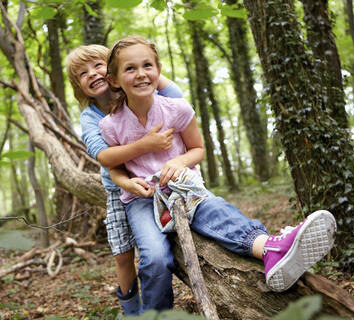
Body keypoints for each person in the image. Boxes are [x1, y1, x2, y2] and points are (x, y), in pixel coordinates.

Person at [99, 35, 337, 312]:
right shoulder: (111, 125)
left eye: (147, 65)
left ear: (158, 70)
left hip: (184, 188)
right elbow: (113, 167)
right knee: (154, 258)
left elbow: (197, 149)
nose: (141, 74)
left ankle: (270, 249)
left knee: (217, 211)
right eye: (130, 68)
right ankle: (156, 315)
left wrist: (179, 162)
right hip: (142, 199)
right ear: (114, 80)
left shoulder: (177, 109)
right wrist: (129, 182)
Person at [65, 44, 183, 315]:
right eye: (83, 73)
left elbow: (175, 94)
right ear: (78, 87)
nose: (93, 74)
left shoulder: (135, 92)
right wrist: (146, 144)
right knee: (123, 254)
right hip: (120, 189)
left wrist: (138, 62)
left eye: (98, 66)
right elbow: (104, 156)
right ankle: (131, 310)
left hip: (160, 179)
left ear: (114, 71)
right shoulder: (90, 117)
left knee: (159, 248)